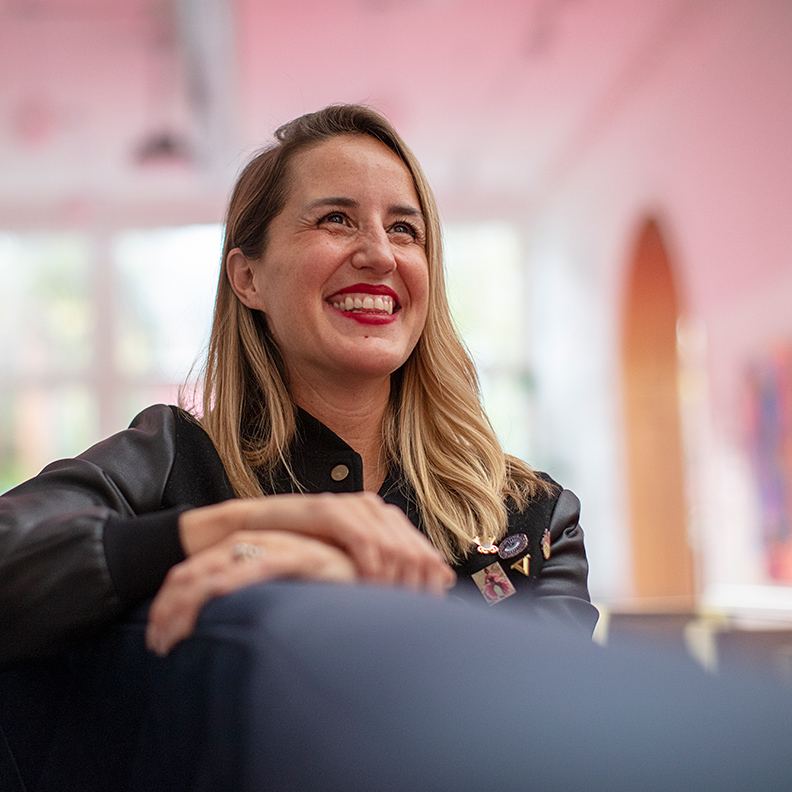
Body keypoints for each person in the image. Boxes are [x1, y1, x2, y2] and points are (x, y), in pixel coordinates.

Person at [0, 104, 596, 668]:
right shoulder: (167, 460)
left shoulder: (534, 517)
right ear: (249, 278)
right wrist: (229, 533)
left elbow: (561, 738)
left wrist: (374, 602)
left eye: (404, 229)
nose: (379, 254)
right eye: (336, 219)